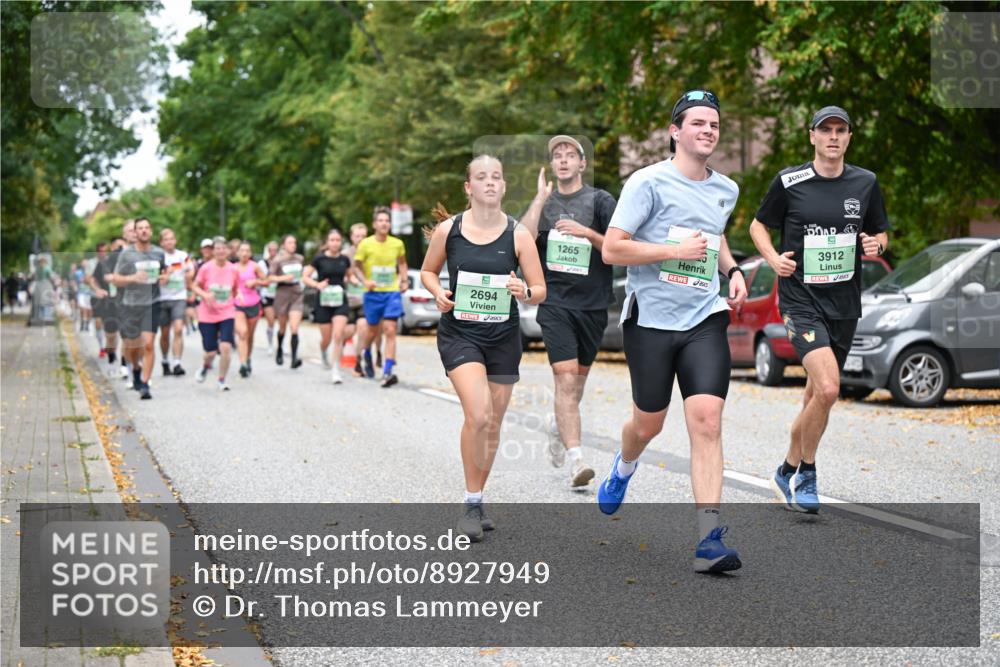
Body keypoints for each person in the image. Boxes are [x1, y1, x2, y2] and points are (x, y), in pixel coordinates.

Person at [599, 90, 748, 573]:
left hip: (704, 316)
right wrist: (671, 253)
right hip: (650, 321)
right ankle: (624, 466)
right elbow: (613, 251)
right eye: (699, 123)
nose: (708, 130)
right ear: (675, 131)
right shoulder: (647, 183)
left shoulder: (726, 188)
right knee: (648, 423)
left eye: (714, 124)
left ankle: (709, 540)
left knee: (706, 419)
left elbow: (715, 234)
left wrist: (733, 270)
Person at [749, 105, 890, 514]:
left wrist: (875, 245)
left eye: (840, 130)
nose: (832, 136)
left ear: (848, 138)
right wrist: (774, 260)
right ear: (811, 136)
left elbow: (880, 232)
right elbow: (758, 226)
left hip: (844, 303)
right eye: (824, 129)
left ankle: (785, 469)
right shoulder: (790, 182)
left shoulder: (866, 182)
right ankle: (807, 470)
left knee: (817, 396)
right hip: (800, 301)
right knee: (829, 388)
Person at [421, 154, 547, 542]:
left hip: (503, 337)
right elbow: (428, 271)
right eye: (481, 177)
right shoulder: (449, 230)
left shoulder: (518, 235)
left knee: (492, 422)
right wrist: (438, 291)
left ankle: (477, 498)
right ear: (468, 187)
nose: (490, 182)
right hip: (461, 334)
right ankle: (472, 502)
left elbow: (539, 290)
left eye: (497, 177)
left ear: (504, 186)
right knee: (478, 414)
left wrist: (523, 291)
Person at [519, 135, 618, 488]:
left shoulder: (601, 201)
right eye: (556, 155)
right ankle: (578, 460)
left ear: (582, 164)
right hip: (555, 303)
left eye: (569, 155)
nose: (562, 160)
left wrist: (586, 233)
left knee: (575, 385)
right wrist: (539, 199)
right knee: (564, 378)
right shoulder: (544, 205)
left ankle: (557, 423)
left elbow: (619, 248)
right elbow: (523, 240)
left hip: (592, 305)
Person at [112, 218, 167, 400]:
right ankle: (135, 368)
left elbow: (163, 273)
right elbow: (116, 278)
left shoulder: (159, 253)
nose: (143, 231)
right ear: (135, 233)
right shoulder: (127, 255)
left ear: (151, 232)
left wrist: (165, 277)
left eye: (146, 228)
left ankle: (145, 384)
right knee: (132, 346)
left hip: (152, 303)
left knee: (149, 344)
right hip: (131, 304)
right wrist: (133, 278)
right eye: (140, 228)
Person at [352, 207, 408, 387]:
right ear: (374, 224)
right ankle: (366, 351)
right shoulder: (365, 244)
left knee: (390, 329)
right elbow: (356, 266)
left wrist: (404, 280)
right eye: (381, 221)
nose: (384, 223)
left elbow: (402, 263)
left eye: (387, 221)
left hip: (391, 291)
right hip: (373, 294)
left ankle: (387, 370)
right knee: (372, 330)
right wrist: (364, 281)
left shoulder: (397, 243)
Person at [303, 229, 353, 384]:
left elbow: (350, 276)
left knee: (338, 334)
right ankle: (324, 349)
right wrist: (317, 284)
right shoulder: (319, 259)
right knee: (327, 337)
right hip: (323, 301)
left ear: (341, 242)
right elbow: (305, 277)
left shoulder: (345, 259)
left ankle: (336, 369)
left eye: (338, 240)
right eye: (332, 240)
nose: (335, 243)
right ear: (327, 242)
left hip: (340, 300)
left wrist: (356, 282)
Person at [191, 237, 240, 391]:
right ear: (213, 251)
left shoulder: (233, 269)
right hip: (207, 314)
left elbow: (235, 289)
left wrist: (238, 295)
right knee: (211, 352)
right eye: (217, 248)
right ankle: (205, 367)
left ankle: (221, 380)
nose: (221, 251)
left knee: (225, 347)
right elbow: (194, 286)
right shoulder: (206, 268)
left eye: (223, 248)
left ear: (228, 251)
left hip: (226, 312)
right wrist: (205, 295)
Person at [157, 228, 193, 377]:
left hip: (179, 297)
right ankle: (165, 360)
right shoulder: (158, 257)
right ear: (161, 242)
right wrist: (166, 274)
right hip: (162, 298)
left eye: (171, 238)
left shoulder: (182, 256)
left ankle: (177, 362)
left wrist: (188, 277)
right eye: (166, 239)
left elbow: (191, 270)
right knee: (165, 334)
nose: (169, 242)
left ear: (175, 240)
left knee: (178, 329)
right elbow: (158, 278)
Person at [268, 235, 306, 369]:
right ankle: (279, 348)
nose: (293, 245)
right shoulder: (278, 260)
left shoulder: (300, 259)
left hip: (296, 293)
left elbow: (303, 275)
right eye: (290, 243)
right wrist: (284, 277)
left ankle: (294, 358)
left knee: (294, 327)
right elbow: (270, 277)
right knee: (282, 327)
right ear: (284, 245)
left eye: (294, 242)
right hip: (282, 293)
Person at [233, 241, 267, 378]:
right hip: (238, 304)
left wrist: (256, 282)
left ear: (250, 253)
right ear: (238, 253)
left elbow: (266, 281)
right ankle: (242, 364)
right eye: (242, 250)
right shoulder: (232, 268)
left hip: (253, 304)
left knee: (250, 336)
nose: (245, 253)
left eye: (247, 251)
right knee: (243, 333)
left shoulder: (255, 267)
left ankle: (248, 358)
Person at [344, 224, 372, 377]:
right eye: (357, 236)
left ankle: (358, 361)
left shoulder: (371, 251)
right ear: (351, 236)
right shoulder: (345, 254)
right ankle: (339, 346)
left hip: (364, 298)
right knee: (346, 332)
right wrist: (349, 278)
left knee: (362, 327)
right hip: (347, 299)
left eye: (363, 236)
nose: (360, 239)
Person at [259, 241, 279, 354]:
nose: (273, 252)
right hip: (267, 294)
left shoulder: (281, 262)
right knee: (270, 321)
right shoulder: (262, 264)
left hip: (279, 294)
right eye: (271, 250)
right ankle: (270, 344)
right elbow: (263, 279)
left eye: (275, 250)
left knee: (281, 321)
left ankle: (281, 344)